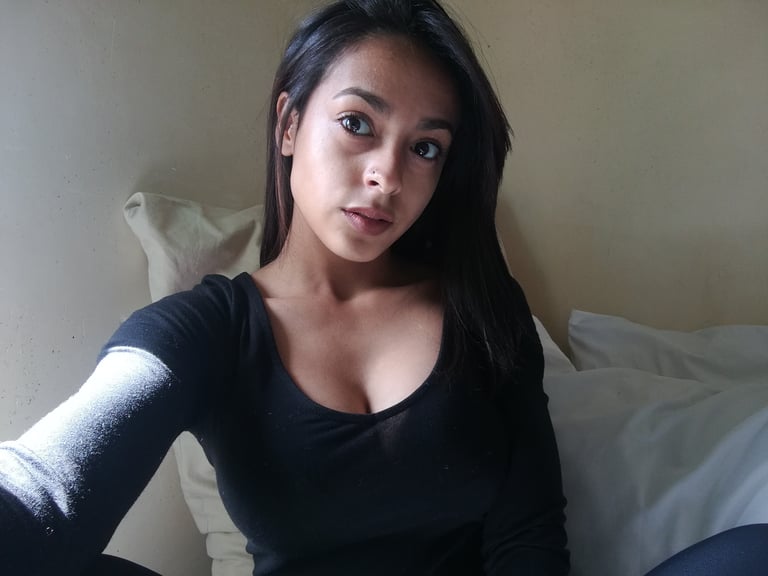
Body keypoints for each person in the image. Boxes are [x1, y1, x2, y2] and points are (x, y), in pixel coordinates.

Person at [1, 1, 765, 575]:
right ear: (289, 124)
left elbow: (527, 535)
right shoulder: (203, 333)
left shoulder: (481, 306)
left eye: (426, 148)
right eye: (359, 123)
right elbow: (45, 494)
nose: (387, 176)